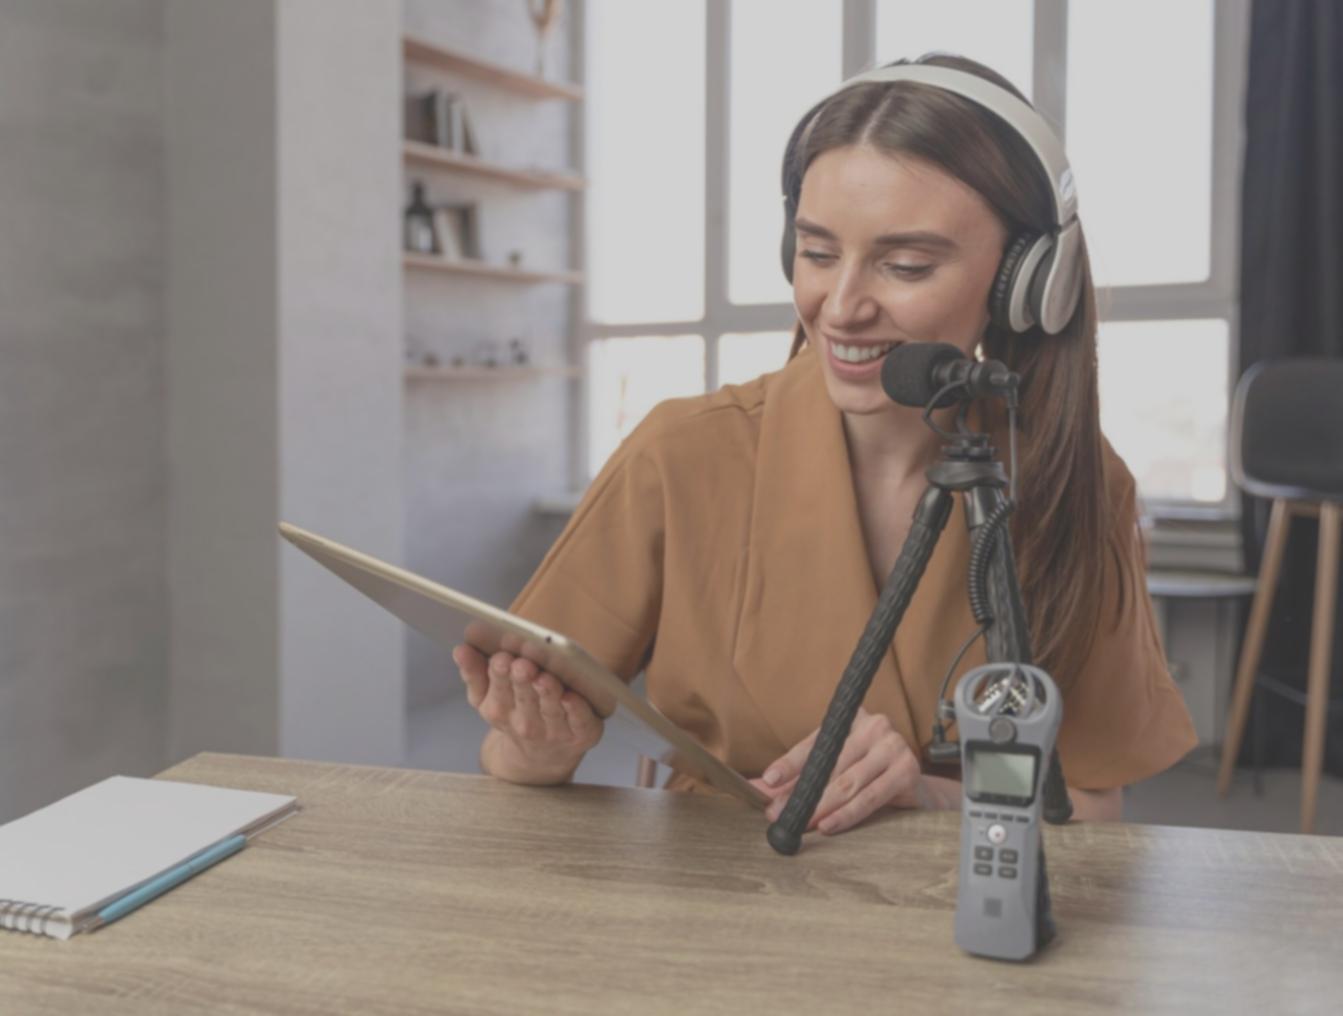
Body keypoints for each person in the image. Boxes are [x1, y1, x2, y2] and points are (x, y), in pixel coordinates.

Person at [452, 53, 1197, 835]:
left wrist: (927, 792)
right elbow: (512, 756)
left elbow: (1089, 802)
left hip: (965, 892)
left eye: (905, 265)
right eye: (815, 253)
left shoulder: (1071, 482)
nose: (839, 307)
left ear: (1023, 282)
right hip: (716, 888)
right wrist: (537, 746)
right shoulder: (680, 454)